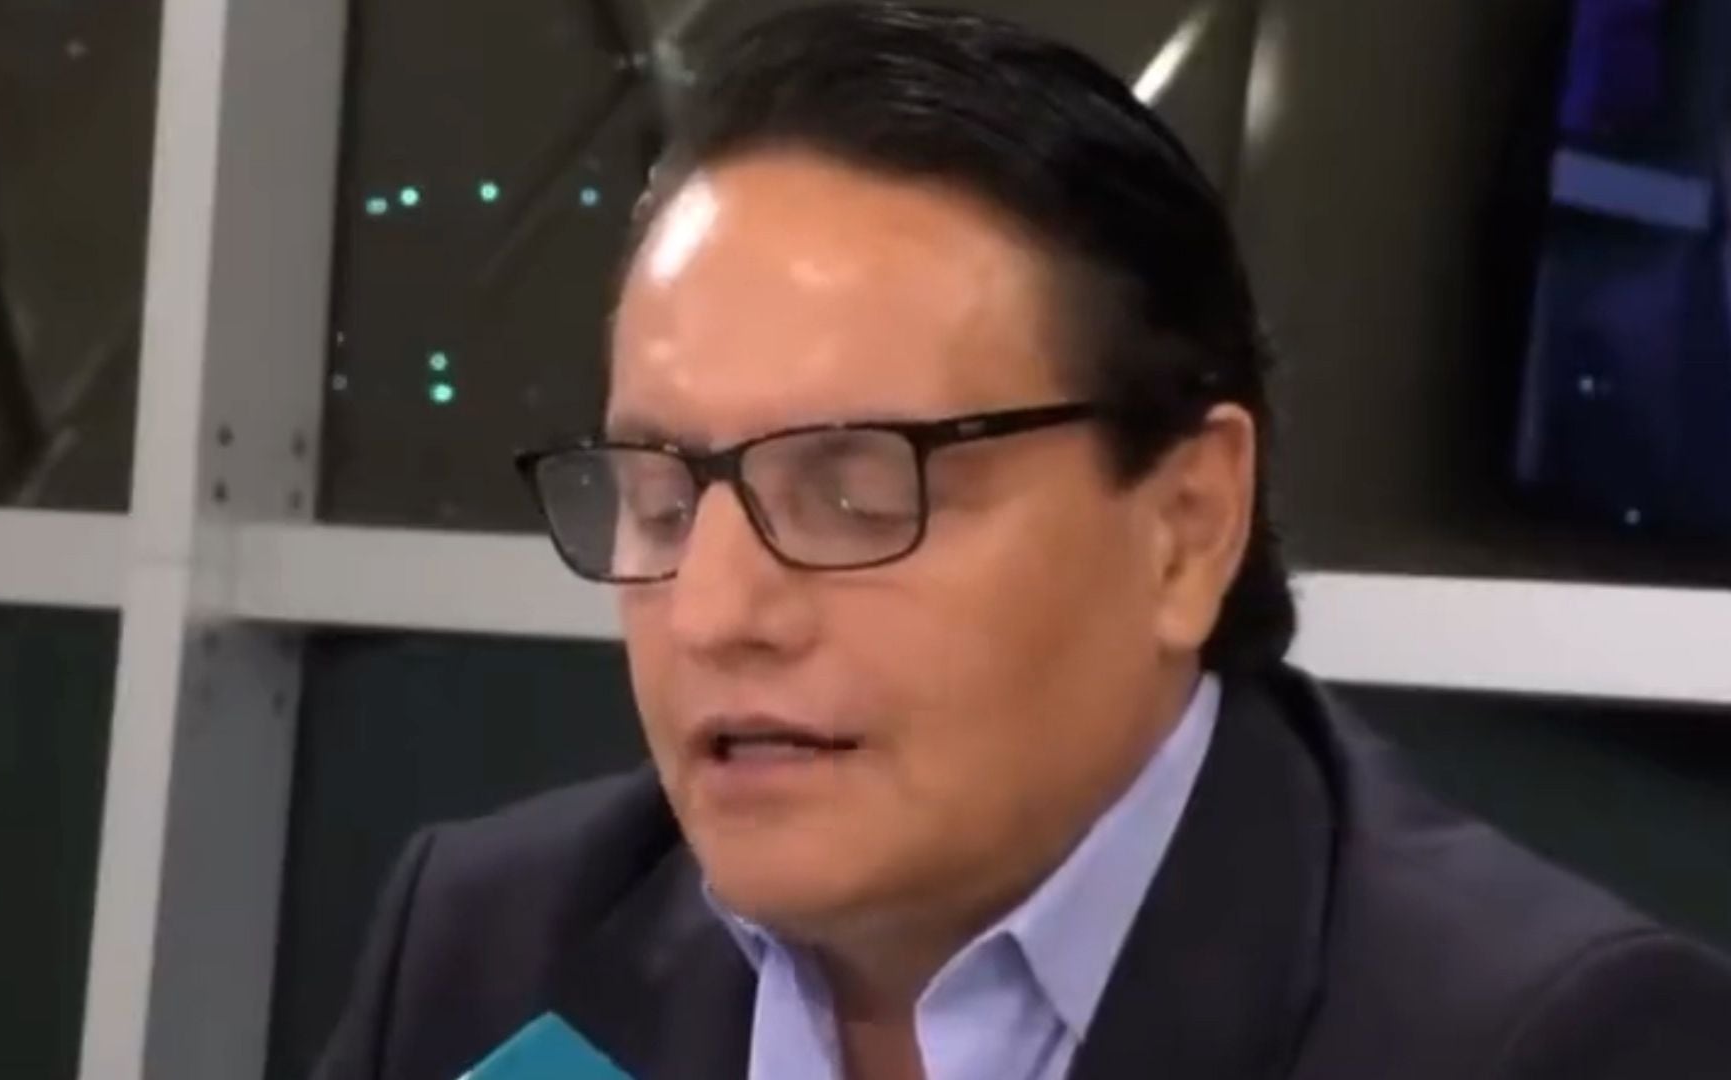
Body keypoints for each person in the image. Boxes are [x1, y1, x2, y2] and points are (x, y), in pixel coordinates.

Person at [314, 4, 1731, 1078]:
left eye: (854, 489)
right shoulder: (489, 947)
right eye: (665, 497)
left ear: (1185, 528)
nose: (713, 612)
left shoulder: (1546, 1039)